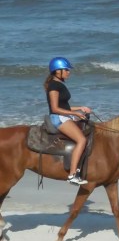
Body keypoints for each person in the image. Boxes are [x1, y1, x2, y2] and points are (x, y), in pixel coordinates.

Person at [44, 57, 92, 185]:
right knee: (82, 140)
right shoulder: (54, 86)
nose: (68, 72)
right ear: (57, 71)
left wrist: (80, 108)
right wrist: (75, 113)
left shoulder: (59, 84)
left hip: (64, 115)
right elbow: (55, 108)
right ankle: (72, 175)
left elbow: (64, 106)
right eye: (66, 70)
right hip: (58, 118)